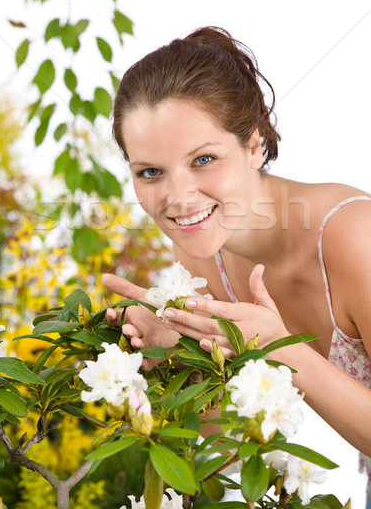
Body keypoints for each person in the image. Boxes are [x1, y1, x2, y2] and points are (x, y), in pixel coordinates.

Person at [102, 26, 371, 500]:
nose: (179, 198)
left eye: (204, 159)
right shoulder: (200, 245)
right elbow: (223, 446)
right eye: (151, 172)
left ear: (253, 145)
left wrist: (281, 347)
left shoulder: (356, 239)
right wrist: (178, 351)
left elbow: (276, 351)